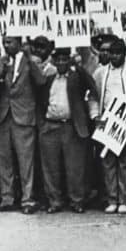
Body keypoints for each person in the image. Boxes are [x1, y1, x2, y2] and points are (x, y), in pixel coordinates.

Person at [38, 48, 100, 213]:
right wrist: (42, 123)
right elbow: (40, 99)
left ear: (69, 61)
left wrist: (77, 65)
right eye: (58, 60)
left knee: (75, 167)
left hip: (71, 126)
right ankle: (55, 201)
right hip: (50, 125)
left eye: (65, 59)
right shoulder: (49, 78)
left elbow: (91, 85)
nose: (61, 63)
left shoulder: (76, 77)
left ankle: (77, 201)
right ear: (54, 62)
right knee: (51, 167)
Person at [0, 35, 46, 214]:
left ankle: (28, 198)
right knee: (5, 160)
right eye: (4, 42)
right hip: (3, 116)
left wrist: (30, 59)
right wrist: (0, 74)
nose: (6, 45)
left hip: (23, 116)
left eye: (10, 42)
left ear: (18, 43)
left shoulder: (31, 61)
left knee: (26, 160)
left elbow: (41, 81)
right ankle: (7, 197)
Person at [93, 39, 126, 213]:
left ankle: (123, 200)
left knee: (124, 162)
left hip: (125, 121)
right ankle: (111, 199)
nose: (114, 56)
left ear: (124, 54)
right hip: (106, 119)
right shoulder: (99, 73)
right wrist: (95, 116)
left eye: (118, 53)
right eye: (112, 53)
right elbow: (92, 96)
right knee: (107, 161)